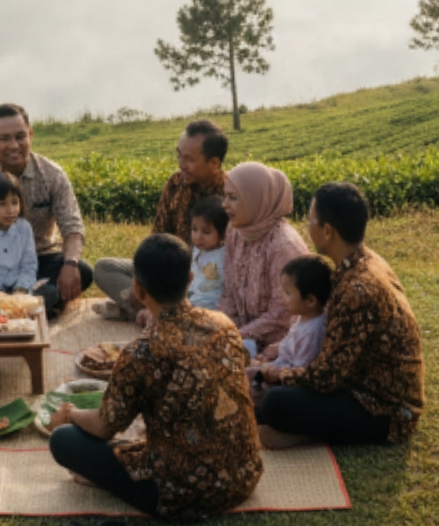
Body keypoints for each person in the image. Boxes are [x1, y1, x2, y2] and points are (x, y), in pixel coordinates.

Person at [48, 234, 262, 521]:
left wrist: (71, 413)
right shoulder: (223, 325)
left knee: (64, 440)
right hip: (244, 476)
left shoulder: (141, 352)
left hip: (180, 493)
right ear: (190, 278)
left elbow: (103, 427)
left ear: (137, 290)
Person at [256, 183, 425, 449]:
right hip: (358, 384)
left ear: (327, 230)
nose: (307, 226)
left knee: (275, 402)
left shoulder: (357, 289)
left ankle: (309, 434)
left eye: (310, 219)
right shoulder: (361, 262)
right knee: (268, 398)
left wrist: (275, 375)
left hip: (383, 409)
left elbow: (327, 378)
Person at [0, 104, 92, 317]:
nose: (14, 145)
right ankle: (33, 304)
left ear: (30, 135)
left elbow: (73, 226)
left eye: (20, 136)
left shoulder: (52, 174)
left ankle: (11, 302)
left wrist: (70, 263)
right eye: (4, 138)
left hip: (39, 259)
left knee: (82, 270)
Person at [93, 119, 228, 319]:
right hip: (166, 272)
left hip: (205, 278)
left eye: (189, 159)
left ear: (214, 163)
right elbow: (157, 236)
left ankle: (146, 312)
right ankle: (152, 312)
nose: (181, 164)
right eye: (179, 155)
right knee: (104, 268)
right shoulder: (175, 183)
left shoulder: (231, 196)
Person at [216, 161, 308, 359]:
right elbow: (229, 292)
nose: (224, 204)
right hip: (242, 336)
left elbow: (282, 316)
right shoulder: (235, 231)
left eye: (233, 198)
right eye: (225, 196)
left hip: (279, 347)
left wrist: (234, 336)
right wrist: (217, 326)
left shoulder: (284, 247)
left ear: (255, 199)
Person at [247, 255, 333, 406]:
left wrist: (271, 371)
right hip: (277, 368)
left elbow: (299, 372)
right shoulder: (303, 318)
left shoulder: (312, 333)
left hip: (281, 382)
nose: (283, 297)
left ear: (311, 300)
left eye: (288, 293)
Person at [185, 196, 229, 310]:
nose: (198, 236)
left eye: (206, 232)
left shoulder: (225, 255)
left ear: (223, 234)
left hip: (211, 305)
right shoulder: (197, 250)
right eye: (194, 229)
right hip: (192, 299)